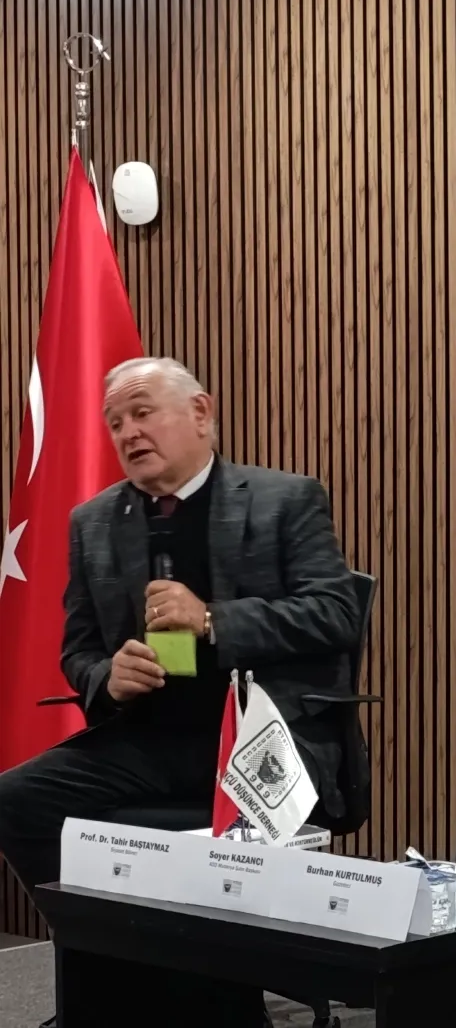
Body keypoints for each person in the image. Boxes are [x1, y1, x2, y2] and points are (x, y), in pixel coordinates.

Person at [0, 356, 362, 1027]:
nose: (128, 433)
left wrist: (213, 620)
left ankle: (200, 993)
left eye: (142, 413)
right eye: (115, 423)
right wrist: (107, 677)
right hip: (147, 737)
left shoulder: (284, 499)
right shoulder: (93, 521)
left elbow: (335, 614)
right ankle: (109, 965)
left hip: (261, 743)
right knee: (15, 798)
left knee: (199, 851)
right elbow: (78, 650)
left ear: (201, 413)